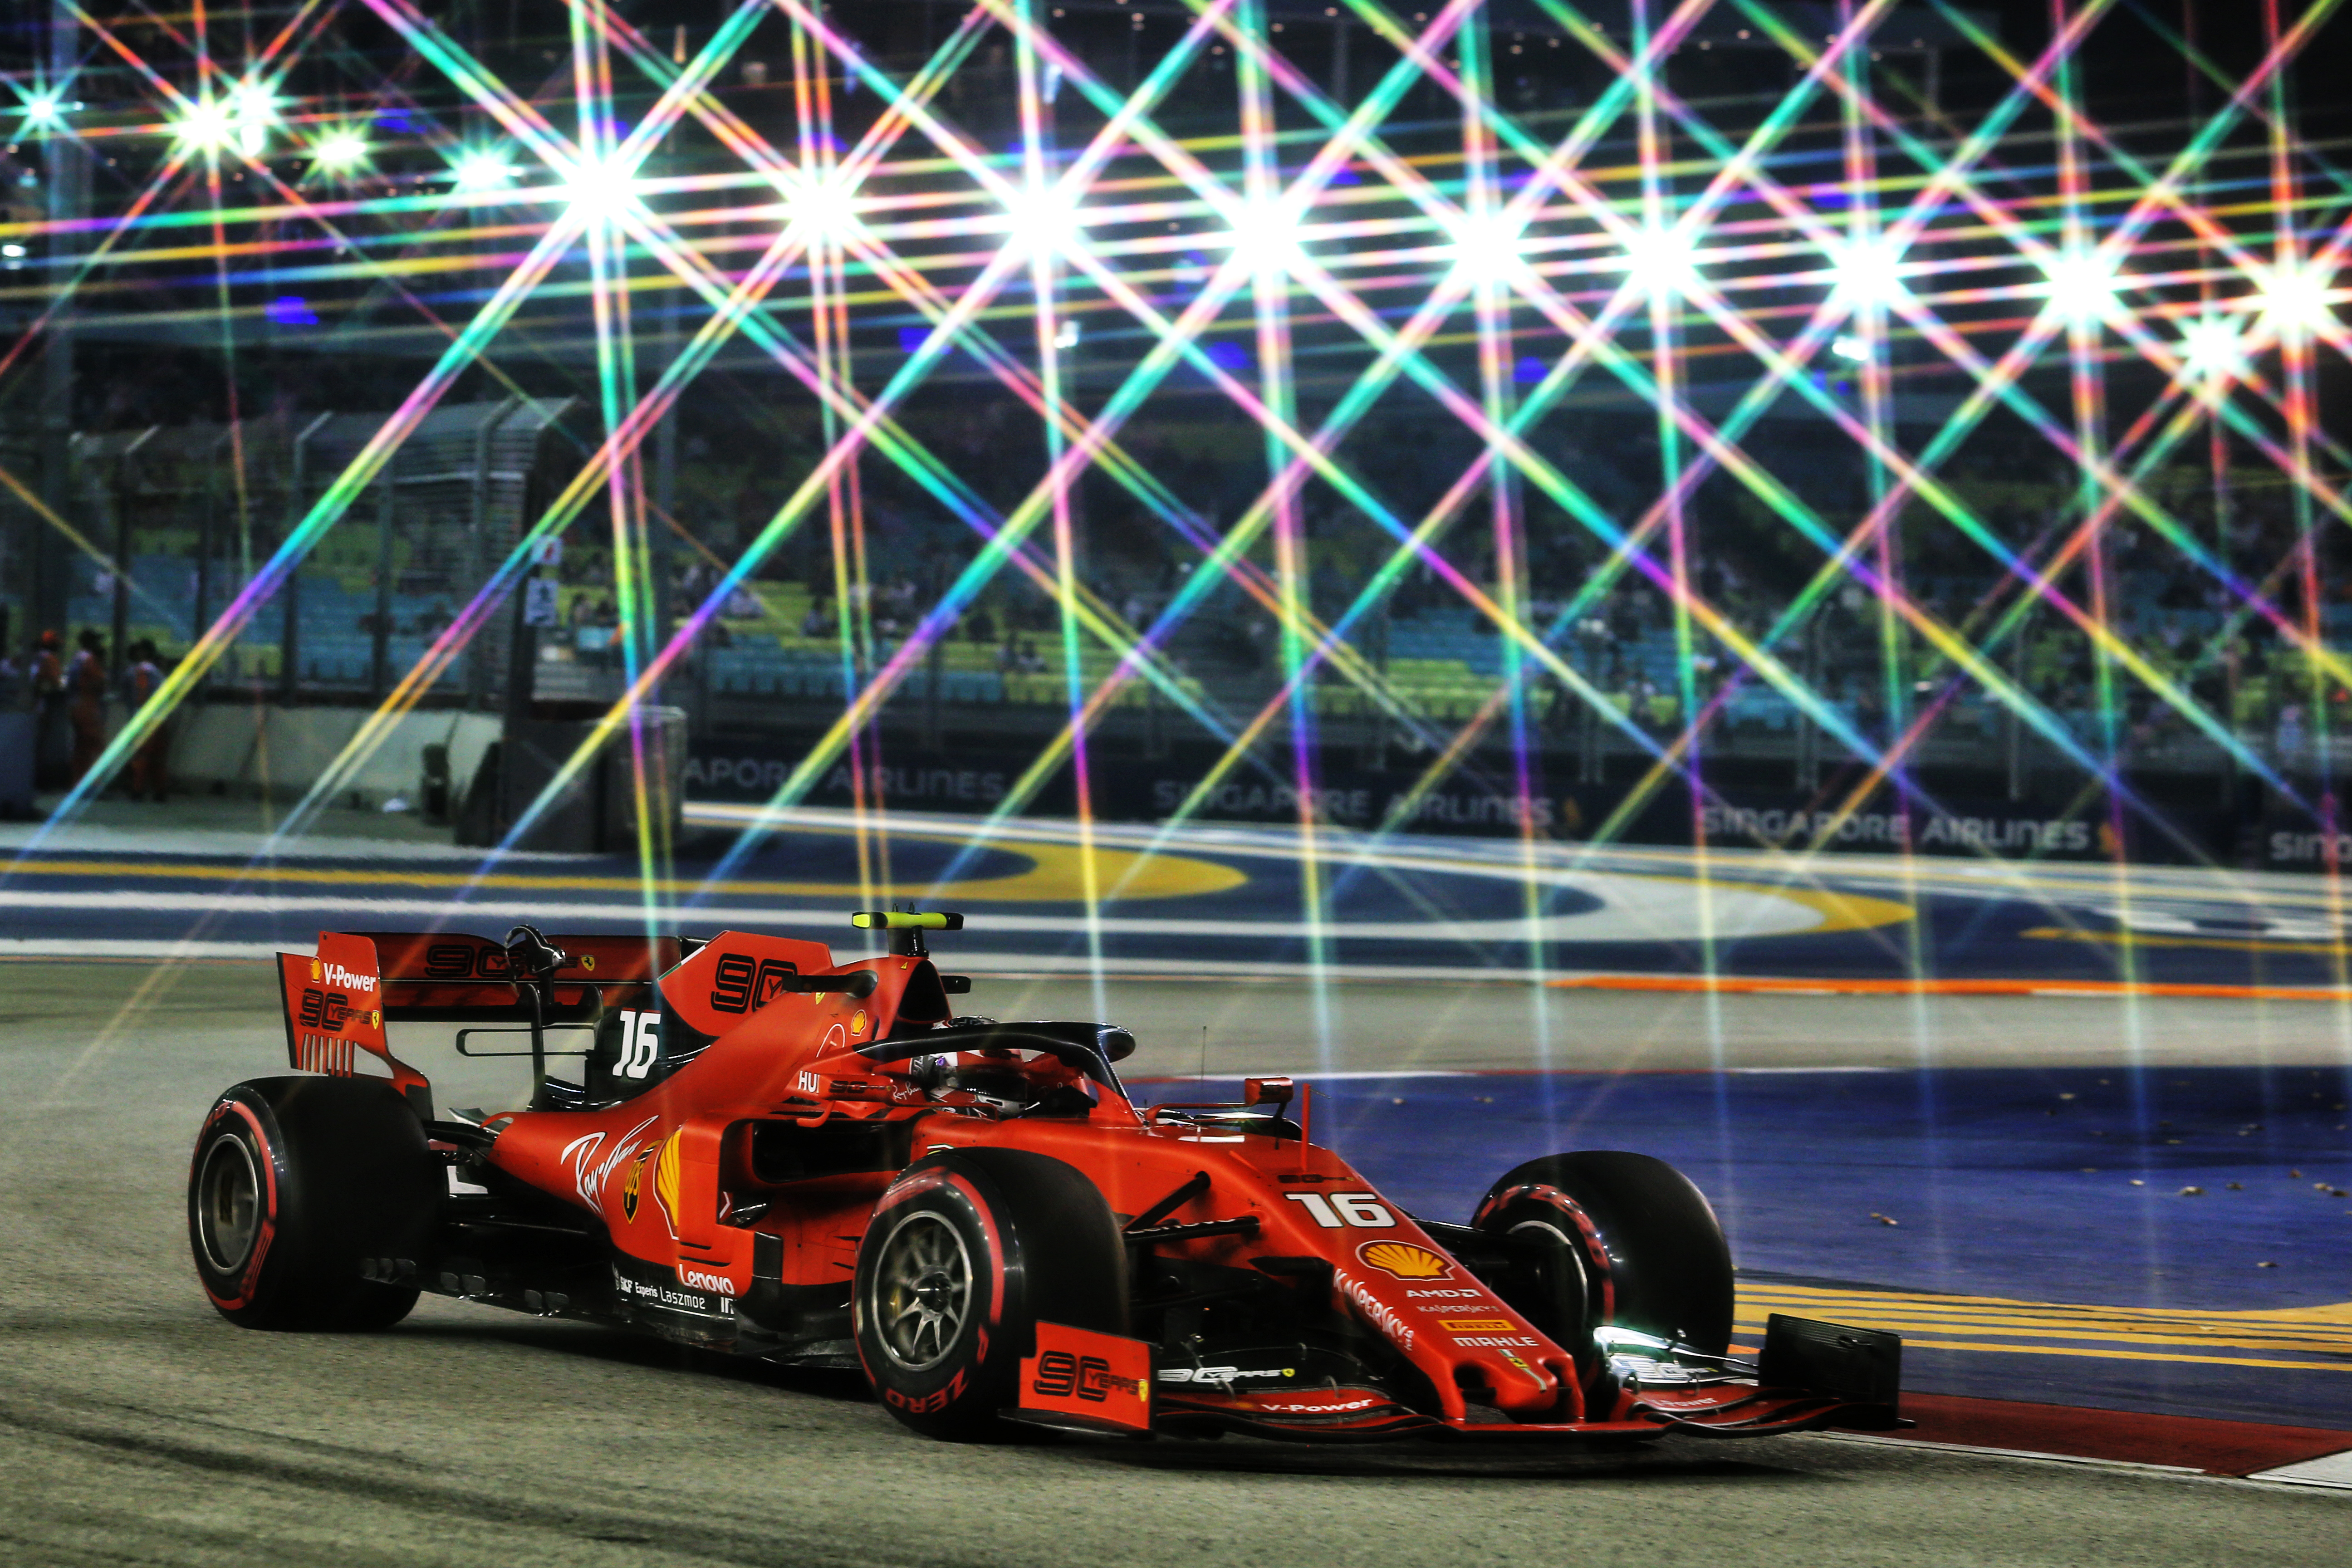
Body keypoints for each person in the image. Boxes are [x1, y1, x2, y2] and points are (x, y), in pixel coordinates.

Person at [123, 639, 169, 802]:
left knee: (141, 755)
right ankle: (160, 791)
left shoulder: (137, 672)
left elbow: (135, 696)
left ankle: (138, 789)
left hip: (143, 717)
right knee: (158, 756)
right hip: (158, 718)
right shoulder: (158, 673)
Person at [65, 629, 107, 787]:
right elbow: (99, 684)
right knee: (94, 746)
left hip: (75, 706)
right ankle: (93, 786)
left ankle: (78, 783)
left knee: (80, 748)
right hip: (88, 706)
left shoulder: (77, 658)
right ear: (91, 642)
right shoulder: (90, 660)